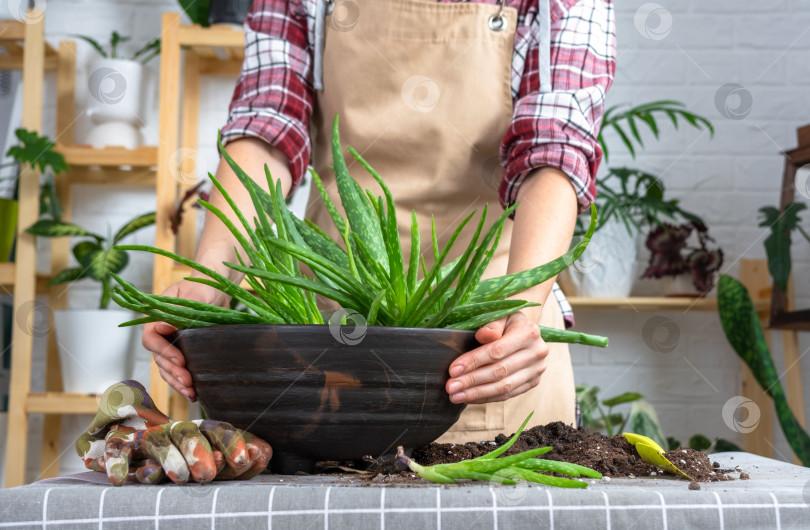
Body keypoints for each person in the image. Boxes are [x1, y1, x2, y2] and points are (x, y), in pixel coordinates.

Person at [145, 0, 615, 444]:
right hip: (328, 327)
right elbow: (268, 126)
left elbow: (553, 153)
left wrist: (521, 310)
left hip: (491, 322)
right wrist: (209, 281)